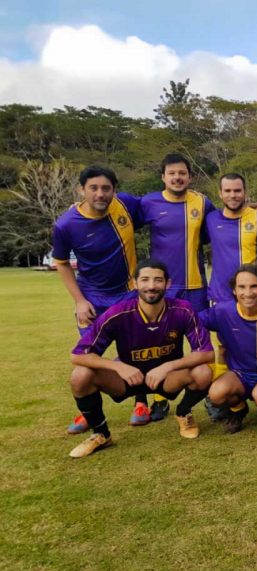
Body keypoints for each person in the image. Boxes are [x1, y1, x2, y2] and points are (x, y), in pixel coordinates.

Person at [67, 259, 214, 458]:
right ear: (134, 283)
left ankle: (183, 412)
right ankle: (101, 434)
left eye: (158, 280)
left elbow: (206, 352)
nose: (151, 286)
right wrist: (119, 367)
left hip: (165, 379)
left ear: (168, 284)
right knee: (80, 376)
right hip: (128, 379)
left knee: (203, 372)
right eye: (145, 280)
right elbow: (78, 355)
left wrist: (168, 366)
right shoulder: (117, 313)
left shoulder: (183, 310)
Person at [52, 165, 149, 432]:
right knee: (89, 356)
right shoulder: (66, 224)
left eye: (106, 188)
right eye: (93, 188)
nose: (100, 193)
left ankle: (141, 403)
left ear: (114, 190)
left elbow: (158, 206)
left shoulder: (126, 205)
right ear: (81, 190)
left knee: (133, 351)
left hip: (129, 294)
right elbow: (60, 263)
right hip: (93, 299)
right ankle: (87, 410)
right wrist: (79, 301)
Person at [139, 153, 215, 421]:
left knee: (200, 344)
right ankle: (159, 397)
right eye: (172, 173)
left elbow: (217, 228)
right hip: (163, 288)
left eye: (182, 172)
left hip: (195, 285)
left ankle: (205, 396)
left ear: (190, 176)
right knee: (162, 343)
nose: (177, 177)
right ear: (163, 176)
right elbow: (118, 214)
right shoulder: (148, 202)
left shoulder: (202, 202)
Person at [200, 265, 257, 434]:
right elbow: (191, 320)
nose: (248, 292)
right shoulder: (222, 311)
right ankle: (238, 410)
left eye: (253, 286)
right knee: (216, 393)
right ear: (234, 290)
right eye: (242, 287)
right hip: (239, 374)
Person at [205, 174, 257, 306]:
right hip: (220, 296)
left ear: (245, 192)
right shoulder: (210, 218)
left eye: (237, 191)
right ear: (220, 193)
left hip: (252, 295)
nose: (233, 195)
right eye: (227, 191)